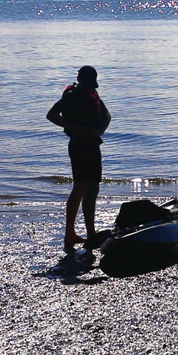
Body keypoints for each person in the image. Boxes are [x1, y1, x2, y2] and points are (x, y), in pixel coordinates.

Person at [46, 65, 111, 252]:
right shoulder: (72, 96)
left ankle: (79, 233)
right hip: (79, 145)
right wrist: (75, 128)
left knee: (86, 188)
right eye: (88, 83)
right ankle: (84, 234)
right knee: (86, 188)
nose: (91, 87)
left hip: (92, 144)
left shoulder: (93, 94)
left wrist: (101, 130)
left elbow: (107, 114)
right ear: (80, 79)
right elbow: (51, 115)